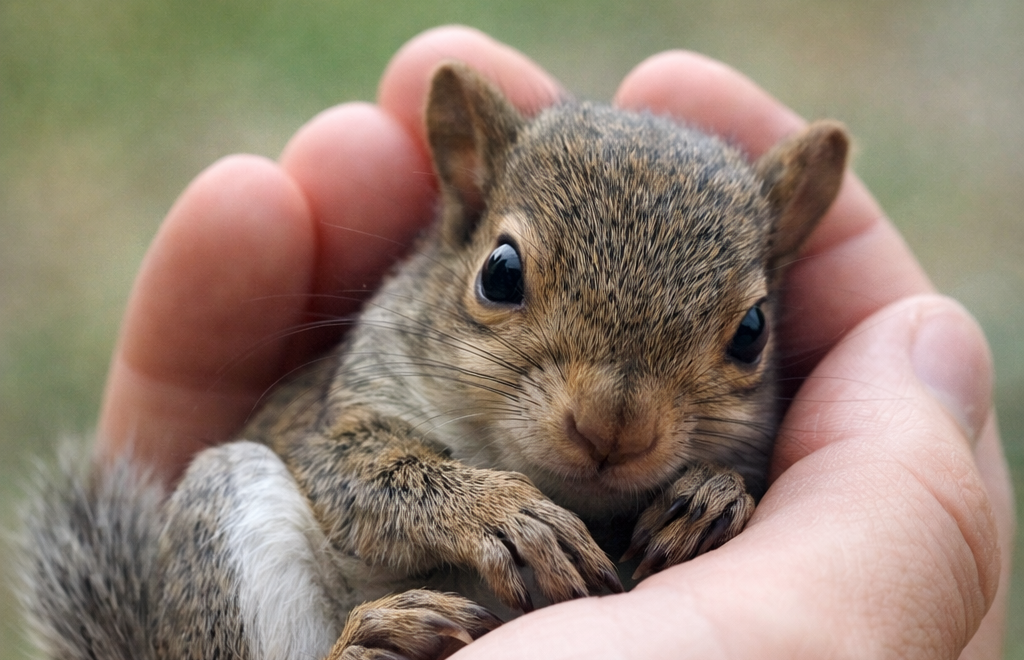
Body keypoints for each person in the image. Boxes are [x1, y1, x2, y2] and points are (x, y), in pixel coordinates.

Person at [93, 25, 1013, 659]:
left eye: (738, 341)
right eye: (507, 283)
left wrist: (721, 498)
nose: (611, 420)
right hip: (315, 608)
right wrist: (465, 504)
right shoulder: (403, 355)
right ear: (469, 180)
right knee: (229, 486)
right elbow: (338, 473)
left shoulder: (721, 463)